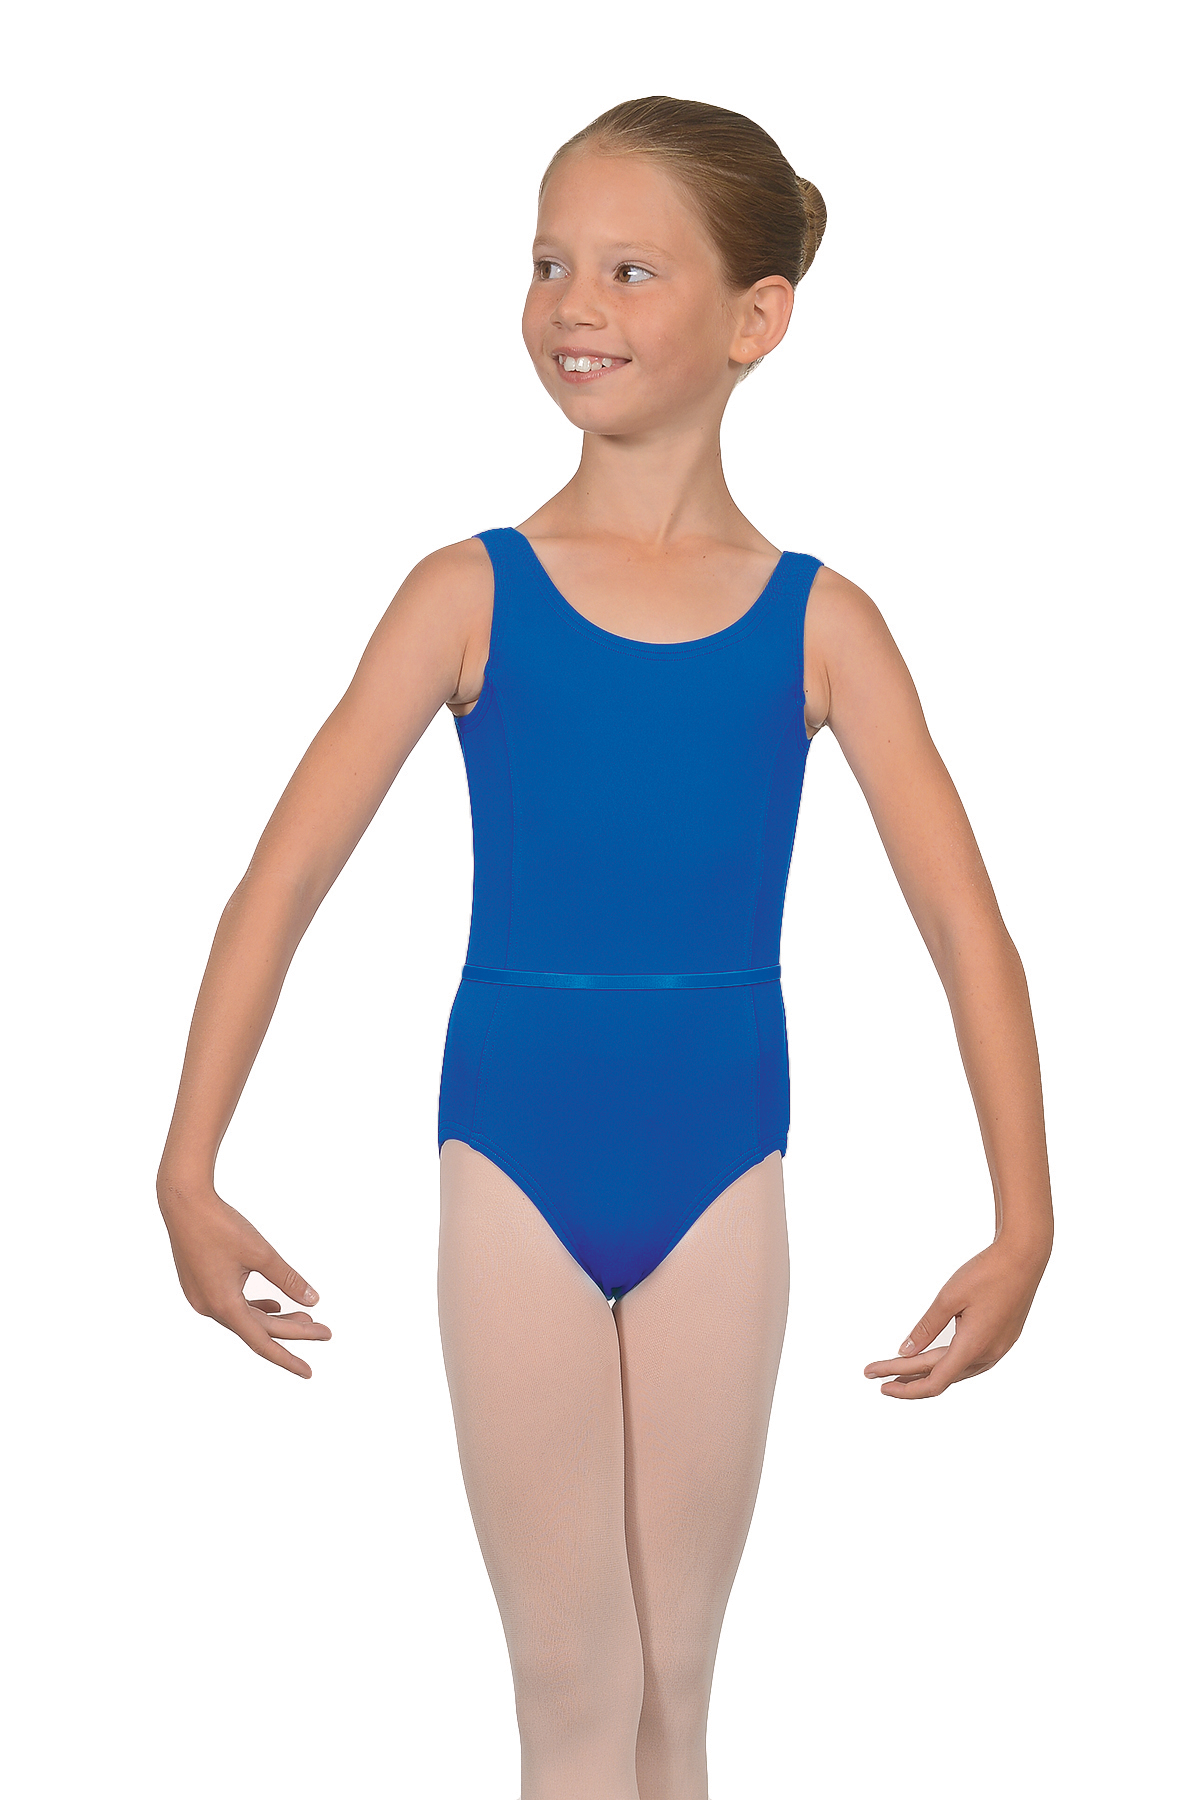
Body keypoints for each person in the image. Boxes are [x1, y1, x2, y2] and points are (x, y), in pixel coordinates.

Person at [157, 95, 1054, 1800]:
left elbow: (966, 928)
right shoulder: (465, 592)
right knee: (575, 1689)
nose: (574, 302)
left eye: (631, 270)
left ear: (756, 317)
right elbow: (283, 879)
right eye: (550, 261)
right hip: (516, 1155)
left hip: (724, 1166)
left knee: (675, 1693)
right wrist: (187, 1163)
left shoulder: (825, 623)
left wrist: (1027, 1220)